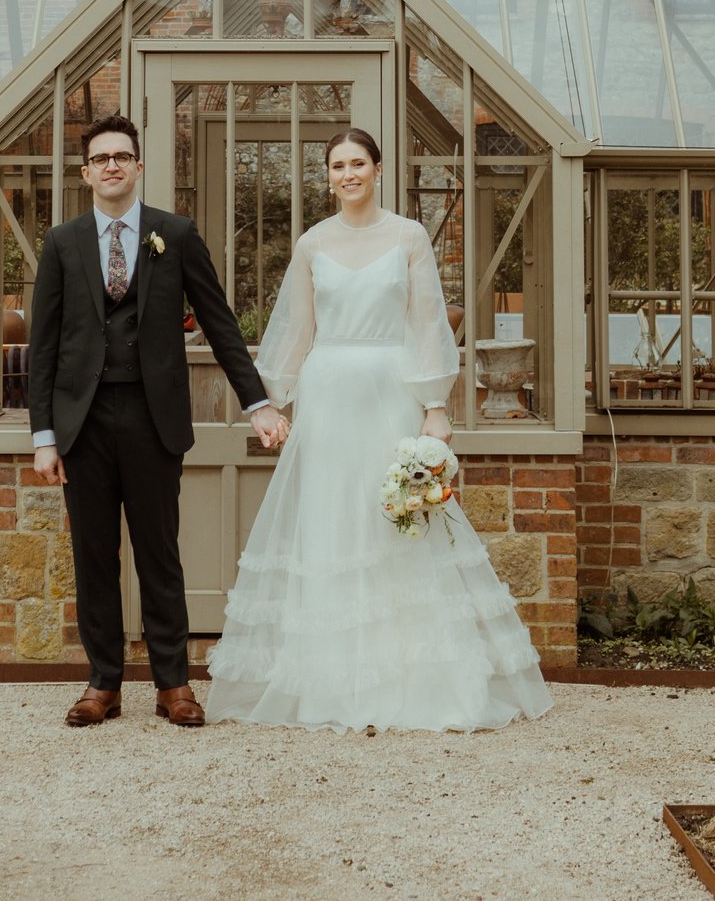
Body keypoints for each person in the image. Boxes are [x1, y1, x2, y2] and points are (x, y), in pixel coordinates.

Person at [205, 127, 552, 731]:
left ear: (379, 169)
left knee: (399, 521)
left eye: (357, 163)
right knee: (332, 521)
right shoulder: (313, 243)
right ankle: (330, 682)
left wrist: (435, 406)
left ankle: (414, 678)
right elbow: (296, 330)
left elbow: (426, 325)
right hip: (330, 397)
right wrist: (270, 401)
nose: (348, 174)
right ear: (328, 176)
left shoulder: (408, 235)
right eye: (337, 165)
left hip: (392, 394)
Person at [28, 112, 288, 728]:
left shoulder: (175, 233)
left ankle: (174, 684)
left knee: (159, 553)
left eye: (123, 156)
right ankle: (102, 682)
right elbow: (42, 346)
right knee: (93, 555)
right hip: (82, 424)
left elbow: (221, 324)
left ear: (138, 166)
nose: (112, 165)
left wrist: (258, 404)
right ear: (86, 172)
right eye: (101, 158)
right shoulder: (63, 243)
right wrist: (44, 437)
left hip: (153, 419)